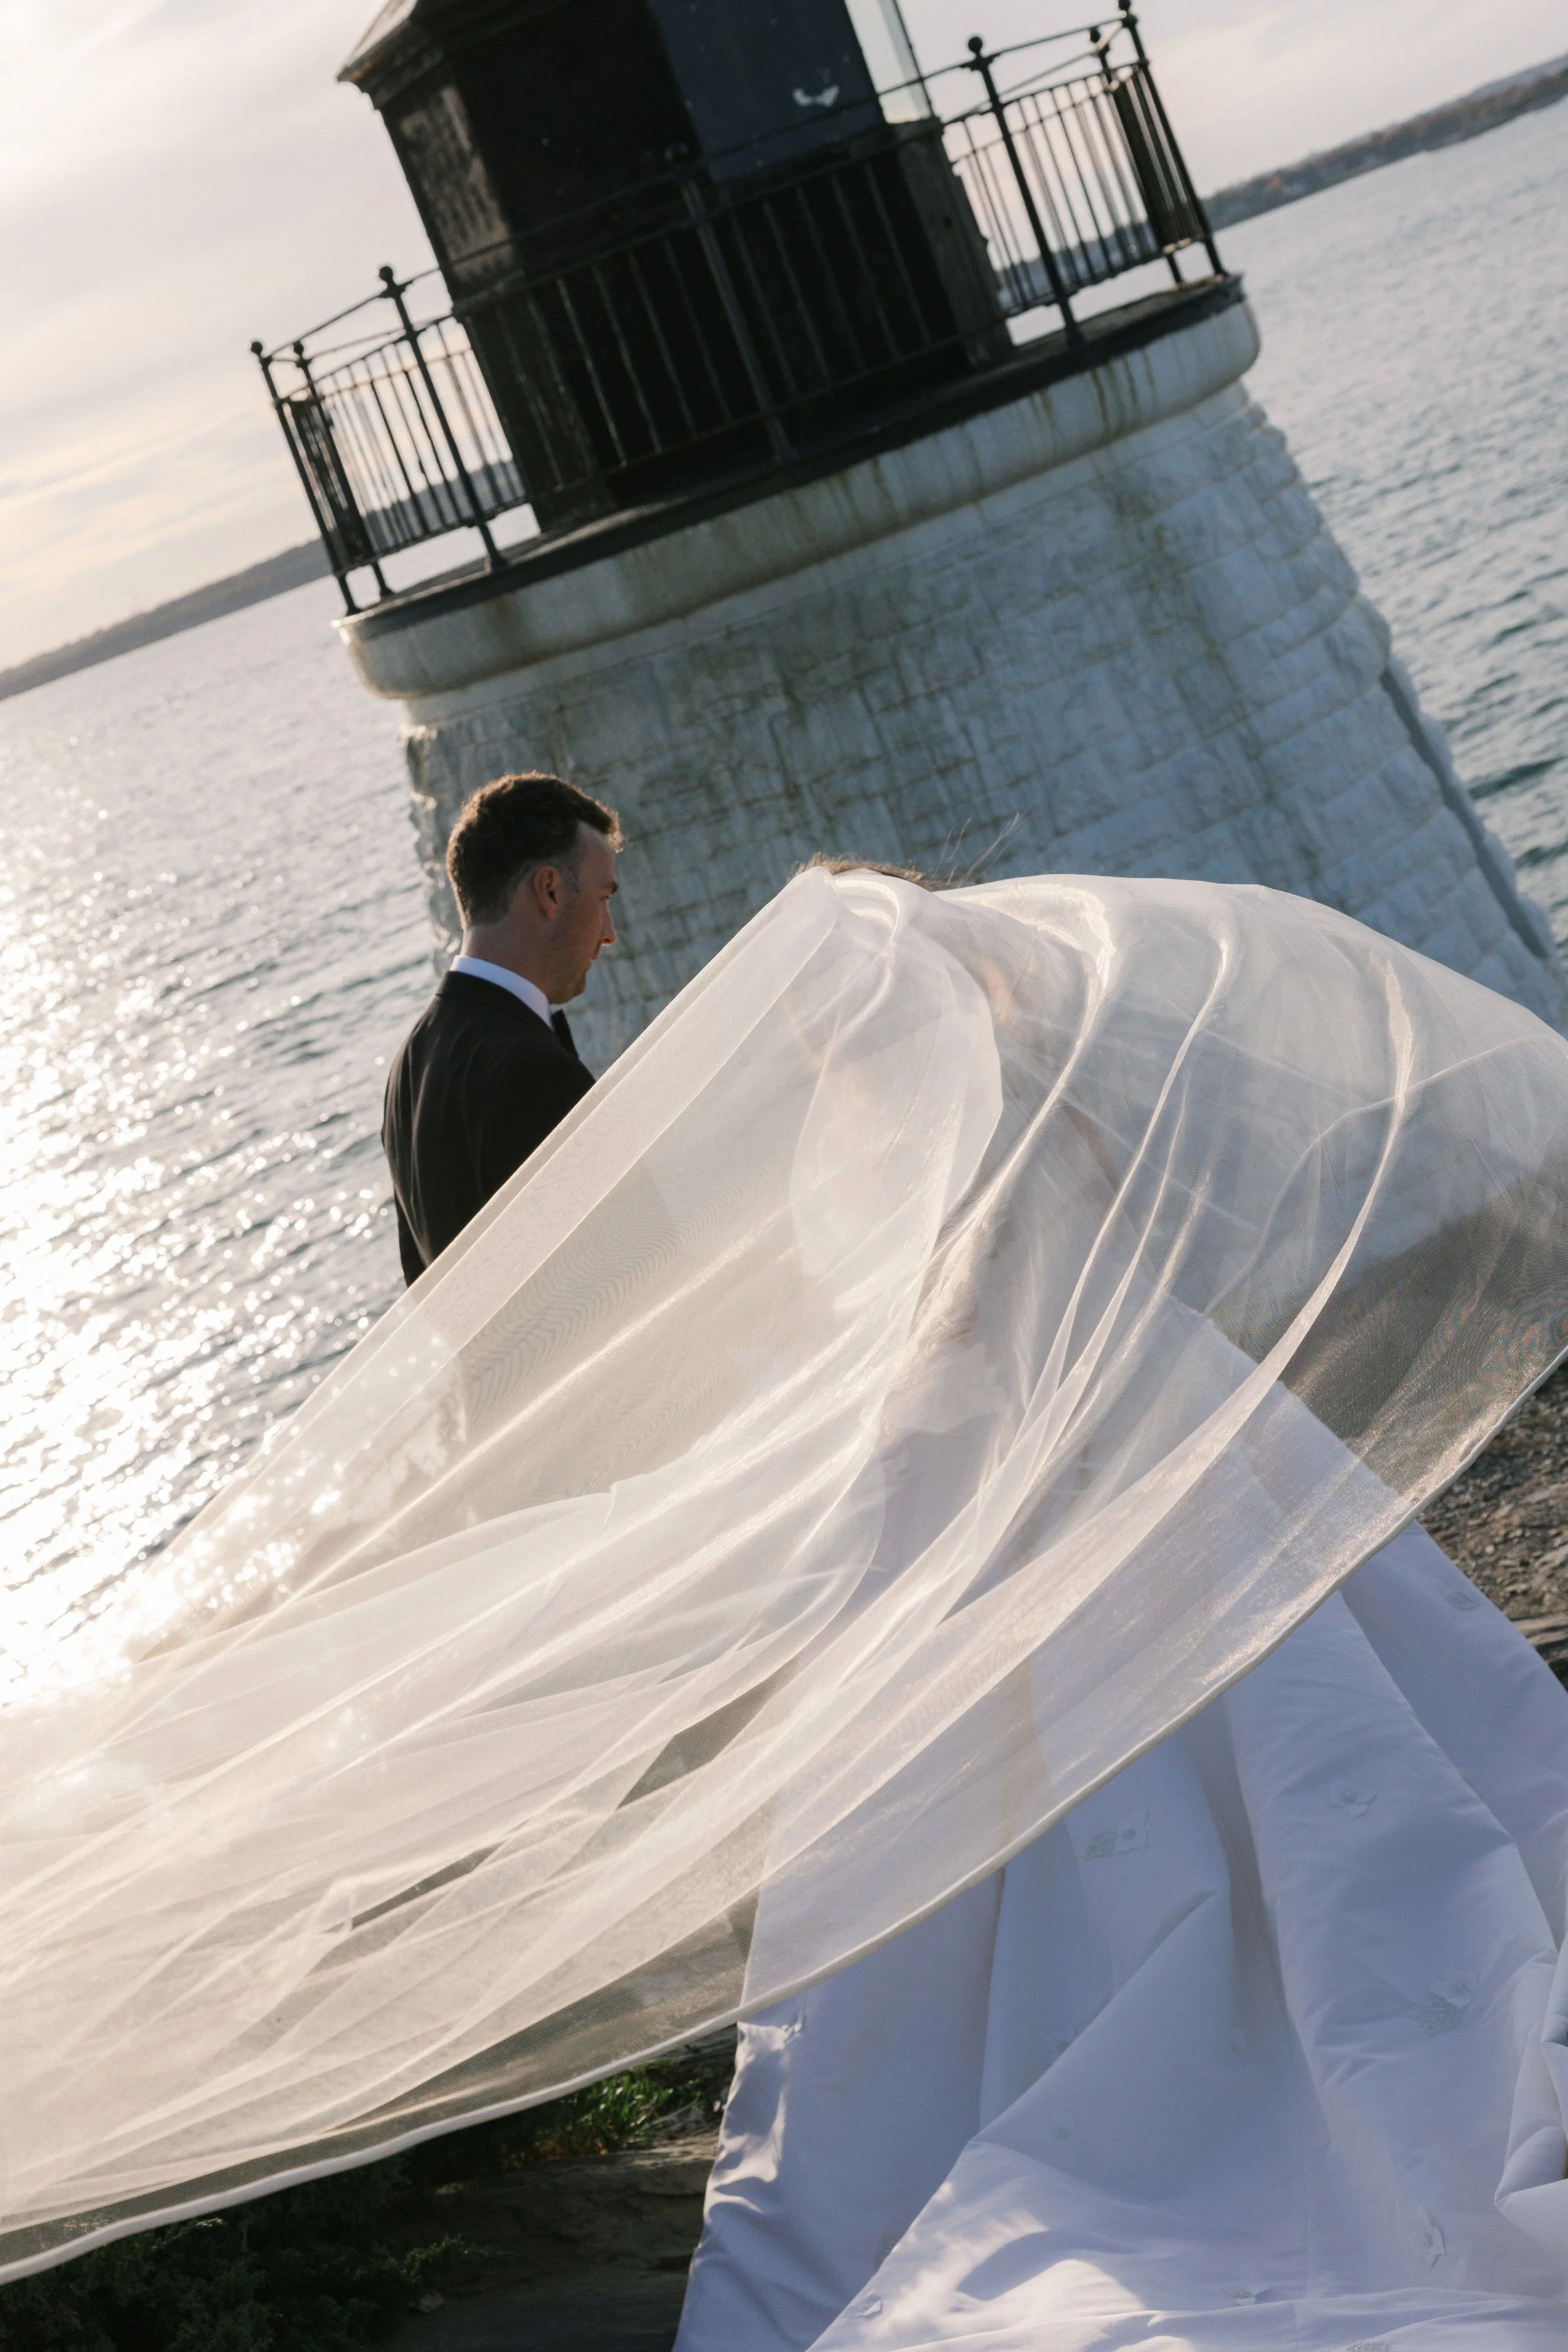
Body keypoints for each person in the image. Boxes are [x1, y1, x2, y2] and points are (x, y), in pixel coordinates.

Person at [382, 771, 621, 1285]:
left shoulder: (410, 1066)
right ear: (549, 891)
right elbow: (623, 1269)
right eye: (603, 899)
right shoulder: (535, 1075)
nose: (609, 932)